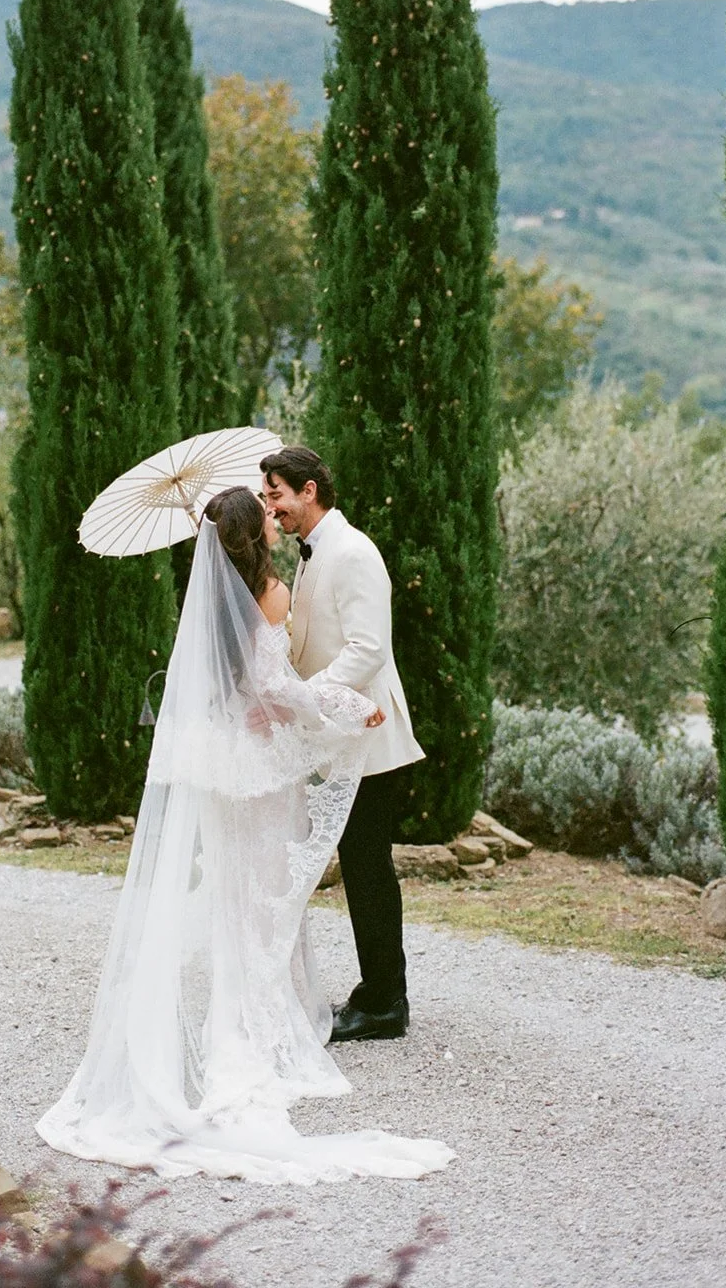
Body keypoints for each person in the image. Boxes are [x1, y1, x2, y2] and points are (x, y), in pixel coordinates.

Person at [36, 486, 453, 1184]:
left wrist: (259, 699)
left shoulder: (213, 597)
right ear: (251, 532)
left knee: (239, 896)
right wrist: (346, 705)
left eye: (273, 497)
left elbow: (233, 684)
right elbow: (278, 687)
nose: (270, 509)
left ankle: (253, 1015)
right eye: (260, 506)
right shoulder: (269, 591)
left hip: (220, 761)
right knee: (266, 903)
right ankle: (259, 1028)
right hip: (257, 772)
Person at [260, 447, 422, 1044]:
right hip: (338, 738)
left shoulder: (352, 551)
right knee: (360, 867)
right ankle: (379, 992)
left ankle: (386, 1003)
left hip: (369, 738)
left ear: (308, 490)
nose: (271, 507)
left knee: (368, 869)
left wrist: (307, 698)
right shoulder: (312, 554)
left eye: (276, 494)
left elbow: (368, 649)